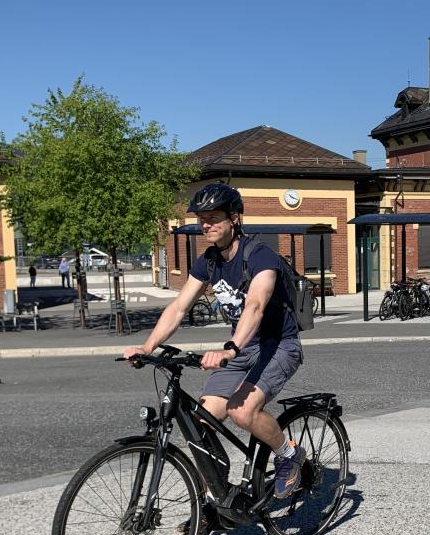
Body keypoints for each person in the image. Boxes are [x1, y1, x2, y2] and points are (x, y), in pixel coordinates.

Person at [123, 182, 306, 500]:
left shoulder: (259, 255)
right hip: (242, 347)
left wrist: (230, 348)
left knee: (241, 411)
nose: (205, 224)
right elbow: (179, 307)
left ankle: (289, 455)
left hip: (278, 345)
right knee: (201, 422)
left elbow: (256, 305)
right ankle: (217, 494)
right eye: (201, 218)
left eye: (213, 217)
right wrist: (147, 346)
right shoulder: (208, 261)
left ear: (234, 218)